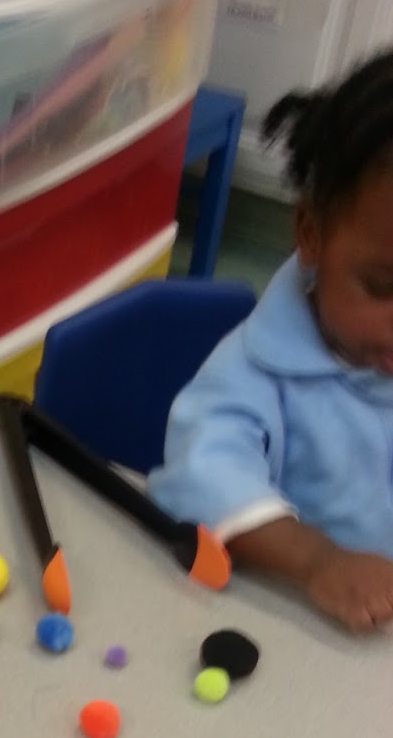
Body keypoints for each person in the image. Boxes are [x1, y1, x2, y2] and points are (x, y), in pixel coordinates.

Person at [149, 49, 393, 631]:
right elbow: (200, 476)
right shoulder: (258, 372)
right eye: (383, 288)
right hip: (288, 625)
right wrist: (317, 560)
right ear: (310, 235)